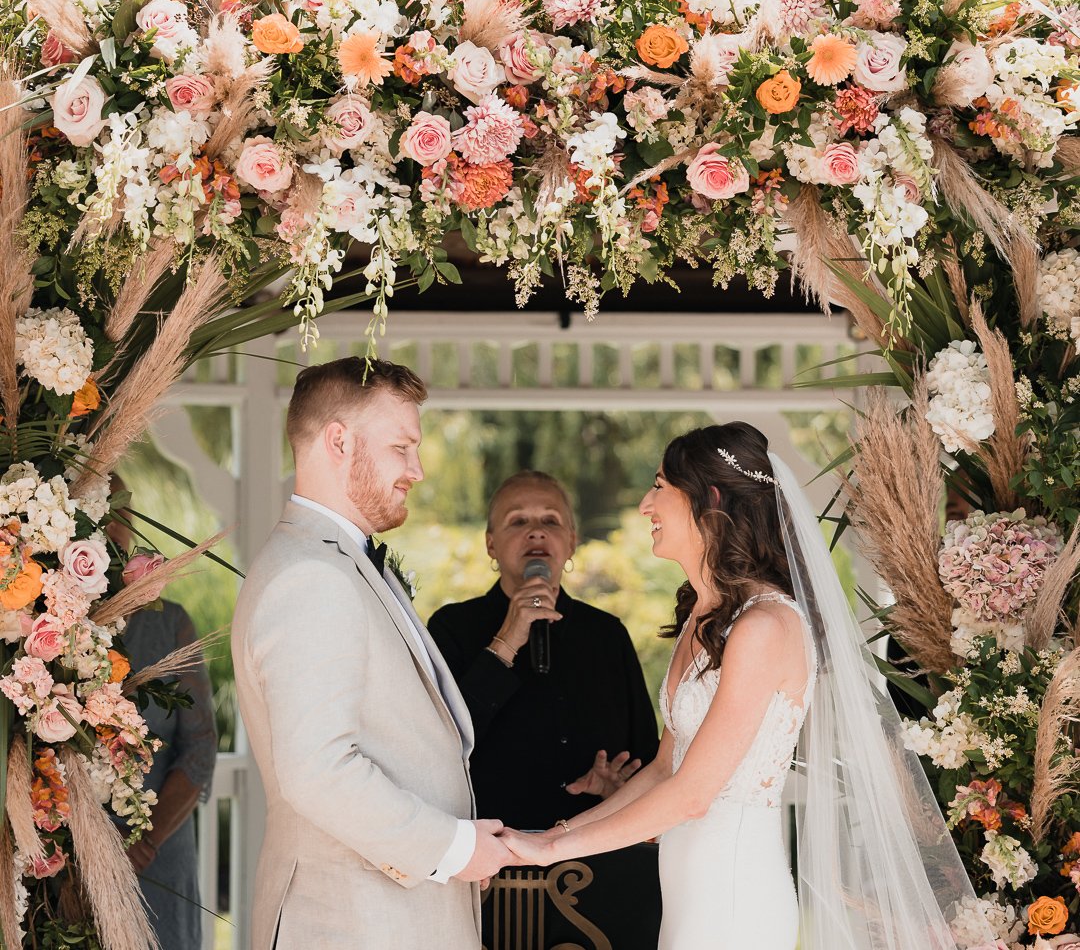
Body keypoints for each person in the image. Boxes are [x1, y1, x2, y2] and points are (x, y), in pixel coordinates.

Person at [499, 422, 998, 949]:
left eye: (660, 485)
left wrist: (553, 853)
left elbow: (691, 797)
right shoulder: (702, 616)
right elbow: (665, 769)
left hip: (735, 903)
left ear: (708, 499)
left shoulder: (764, 627)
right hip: (687, 900)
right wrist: (553, 836)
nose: (646, 504)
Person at [231, 357, 512, 950]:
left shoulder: (337, 561)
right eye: (401, 447)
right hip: (349, 922)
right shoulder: (310, 577)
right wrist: (452, 849)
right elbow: (318, 770)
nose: (418, 469)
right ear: (339, 441)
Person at [427, 470, 659, 830]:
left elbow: (645, 758)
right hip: (488, 856)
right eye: (517, 520)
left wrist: (620, 789)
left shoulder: (607, 635)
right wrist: (505, 640)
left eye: (550, 520)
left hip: (591, 857)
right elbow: (435, 745)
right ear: (491, 544)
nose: (536, 531)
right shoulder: (451, 627)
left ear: (571, 542)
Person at [107, 487, 217, 950]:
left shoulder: (170, 623)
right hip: (62, 862)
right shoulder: (36, 624)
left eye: (121, 516)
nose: (113, 531)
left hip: (159, 857)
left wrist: (145, 841)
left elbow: (200, 745)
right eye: (100, 516)